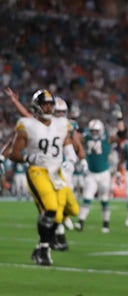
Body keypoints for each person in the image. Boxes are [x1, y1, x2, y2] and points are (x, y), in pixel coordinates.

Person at [7, 89, 81, 265]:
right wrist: (27, 157)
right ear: (36, 106)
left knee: (73, 210)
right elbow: (13, 152)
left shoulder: (61, 124)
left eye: (50, 104)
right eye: (44, 104)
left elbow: (67, 143)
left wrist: (71, 158)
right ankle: (44, 248)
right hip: (38, 171)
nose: (48, 107)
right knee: (50, 209)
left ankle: (46, 243)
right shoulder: (27, 124)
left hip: (57, 172)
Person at [76, 109, 126, 233]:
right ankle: (80, 222)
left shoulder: (107, 138)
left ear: (101, 130)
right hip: (91, 173)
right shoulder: (86, 138)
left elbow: (122, 135)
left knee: (104, 198)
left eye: (96, 131)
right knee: (87, 197)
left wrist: (120, 119)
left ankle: (105, 224)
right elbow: (74, 138)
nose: (94, 133)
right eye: (92, 131)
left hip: (104, 173)